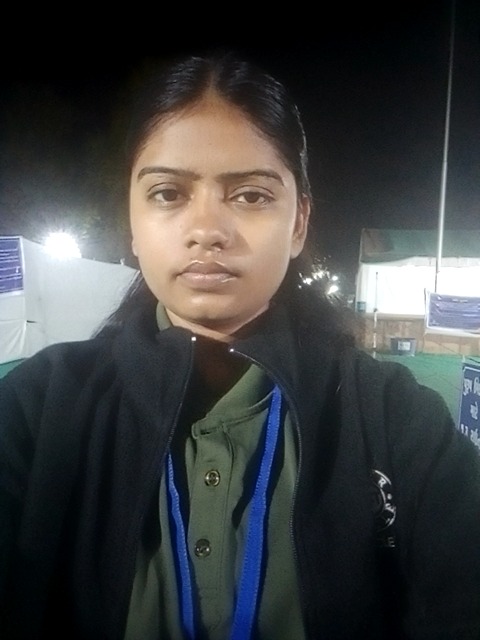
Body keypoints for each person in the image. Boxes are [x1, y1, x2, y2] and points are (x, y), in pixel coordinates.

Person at [1, 51, 479, 640]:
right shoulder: (37, 410)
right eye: (167, 193)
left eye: (250, 196)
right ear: (132, 220)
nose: (207, 230)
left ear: (299, 223)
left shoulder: (395, 420)